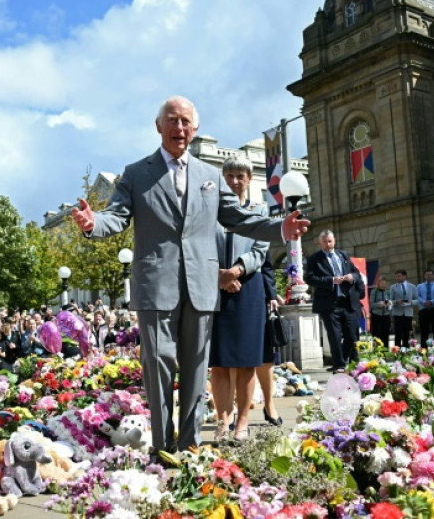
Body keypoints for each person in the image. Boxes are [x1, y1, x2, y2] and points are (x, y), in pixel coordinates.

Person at [71, 96, 309, 458]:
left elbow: (240, 218)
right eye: (172, 120)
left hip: (201, 285)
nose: (178, 127)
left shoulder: (210, 175)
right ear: (158, 126)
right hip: (156, 285)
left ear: (194, 128)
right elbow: (115, 217)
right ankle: (162, 447)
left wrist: (280, 228)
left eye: (185, 121)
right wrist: (92, 224)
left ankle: (190, 444)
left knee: (198, 368)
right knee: (158, 365)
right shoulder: (136, 173)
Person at [208, 155, 271, 443]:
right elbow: (200, 245)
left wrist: (236, 270)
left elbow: (260, 249)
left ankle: (242, 423)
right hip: (214, 286)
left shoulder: (260, 209)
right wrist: (219, 274)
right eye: (230, 176)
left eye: (240, 176)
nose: (235, 181)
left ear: (249, 179)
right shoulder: (210, 211)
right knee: (218, 362)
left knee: (246, 361)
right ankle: (223, 419)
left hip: (248, 288)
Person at [305, 230, 363, 372]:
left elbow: (357, 272)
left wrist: (352, 276)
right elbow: (310, 278)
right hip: (329, 304)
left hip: (348, 302)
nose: (328, 244)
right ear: (320, 242)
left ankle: (341, 360)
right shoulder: (314, 259)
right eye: (324, 242)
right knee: (334, 336)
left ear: (334, 241)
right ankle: (340, 366)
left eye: (330, 241)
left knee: (351, 334)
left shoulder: (343, 255)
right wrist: (331, 281)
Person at [255, 251, 283, 427]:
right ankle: (229, 412)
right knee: (232, 361)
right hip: (228, 294)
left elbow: (266, 267)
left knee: (265, 356)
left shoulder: (256, 230)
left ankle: (269, 404)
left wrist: (272, 295)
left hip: (258, 296)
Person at [390, 269, 418, 348]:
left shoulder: (412, 286)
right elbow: (389, 301)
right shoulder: (393, 287)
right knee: (398, 333)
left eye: (399, 276)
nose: (397, 278)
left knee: (407, 332)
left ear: (404, 276)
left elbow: (417, 300)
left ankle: (406, 349)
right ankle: (397, 350)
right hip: (397, 313)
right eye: (396, 277)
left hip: (408, 312)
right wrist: (396, 302)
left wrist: (411, 302)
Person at [417, 269, 434, 353]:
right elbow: (418, 296)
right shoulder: (419, 286)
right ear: (424, 276)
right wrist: (424, 302)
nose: (428, 276)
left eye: (430, 274)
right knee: (424, 331)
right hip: (423, 310)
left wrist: (431, 302)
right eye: (427, 274)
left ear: (433, 275)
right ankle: (424, 349)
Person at [369, 277, 392, 347]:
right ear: (378, 283)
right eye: (382, 283)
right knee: (376, 335)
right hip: (376, 316)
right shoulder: (374, 292)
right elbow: (371, 305)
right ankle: (377, 351)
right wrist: (379, 304)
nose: (383, 285)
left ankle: (385, 351)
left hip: (386, 316)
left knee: (385, 334)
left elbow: (391, 307)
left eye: (385, 284)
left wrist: (389, 304)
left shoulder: (388, 292)